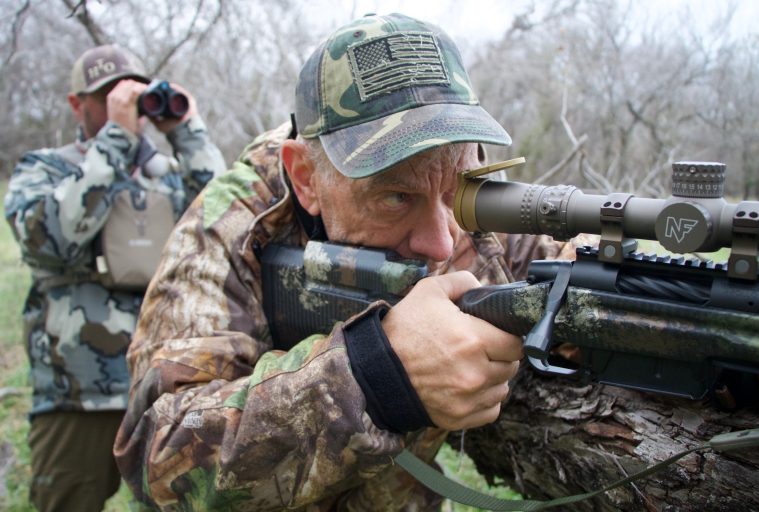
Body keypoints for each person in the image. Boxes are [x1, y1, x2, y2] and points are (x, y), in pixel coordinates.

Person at [114, 13, 574, 510]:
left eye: (458, 191)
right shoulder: (233, 221)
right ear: (307, 178)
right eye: (396, 197)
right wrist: (374, 378)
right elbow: (156, 454)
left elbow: (548, 264)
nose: (442, 243)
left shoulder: (462, 190)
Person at [4, 44, 226, 511]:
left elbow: (224, 218)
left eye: (132, 95)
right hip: (78, 391)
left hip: (164, 386)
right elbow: (53, 238)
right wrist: (115, 139)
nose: (122, 104)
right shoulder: (45, 168)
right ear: (76, 104)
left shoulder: (162, 175)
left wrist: (187, 133)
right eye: (106, 95)